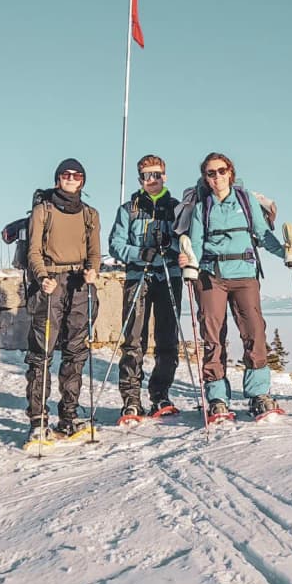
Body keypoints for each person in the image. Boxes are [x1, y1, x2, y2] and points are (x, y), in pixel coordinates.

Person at [176, 152, 292, 419]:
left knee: (254, 331)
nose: (217, 177)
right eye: (211, 173)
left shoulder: (245, 200)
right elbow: (194, 243)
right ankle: (217, 396)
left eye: (221, 171)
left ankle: (258, 393)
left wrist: (287, 253)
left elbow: (263, 234)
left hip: (245, 274)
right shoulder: (201, 208)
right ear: (205, 178)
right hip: (211, 275)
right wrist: (189, 262)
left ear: (230, 172)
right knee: (212, 336)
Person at [25, 158, 101, 442]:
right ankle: (37, 420)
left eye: (76, 175)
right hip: (50, 284)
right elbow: (33, 250)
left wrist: (94, 271)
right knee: (41, 354)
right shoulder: (43, 211)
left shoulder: (90, 214)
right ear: (58, 179)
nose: (71, 178)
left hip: (79, 285)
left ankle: (68, 416)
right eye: (66, 174)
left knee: (76, 352)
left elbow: (95, 253)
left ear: (82, 180)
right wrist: (41, 276)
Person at [108, 154, 182, 418]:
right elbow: (115, 244)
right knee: (134, 339)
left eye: (157, 175)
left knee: (167, 338)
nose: (152, 180)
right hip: (138, 276)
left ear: (165, 176)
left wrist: (170, 245)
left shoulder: (176, 207)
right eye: (146, 176)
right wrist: (141, 253)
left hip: (168, 275)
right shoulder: (128, 209)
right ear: (139, 178)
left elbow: (186, 242)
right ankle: (131, 399)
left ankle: (160, 394)